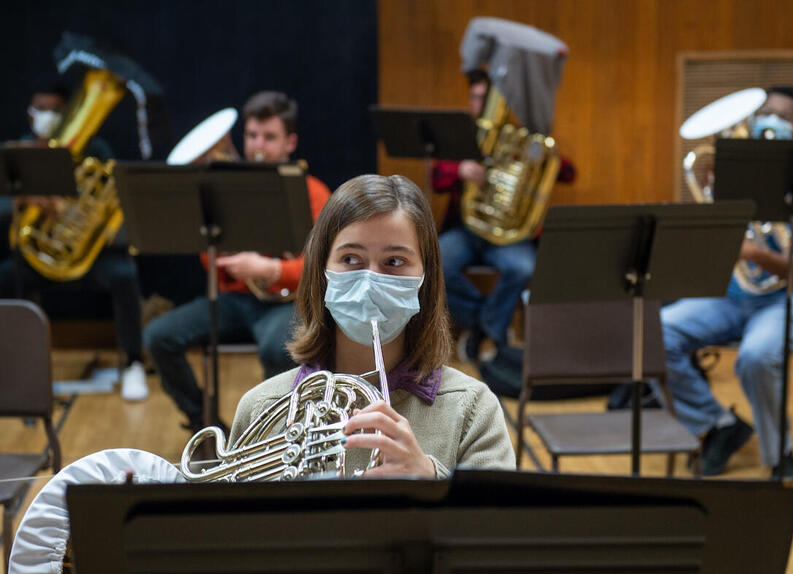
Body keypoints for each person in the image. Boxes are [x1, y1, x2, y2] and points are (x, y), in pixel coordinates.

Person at [229, 174, 515, 477]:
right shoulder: (261, 408)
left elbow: (504, 509)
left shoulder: (473, 409)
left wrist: (430, 477)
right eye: (350, 259)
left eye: (394, 262)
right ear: (321, 270)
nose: (370, 281)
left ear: (425, 277)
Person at [144, 91, 330, 432]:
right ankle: (205, 425)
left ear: (290, 142)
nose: (258, 146)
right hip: (235, 299)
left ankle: (274, 434)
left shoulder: (313, 192)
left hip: (286, 302)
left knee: (278, 348)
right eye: (251, 135)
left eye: (269, 137)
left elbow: (324, 268)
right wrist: (218, 250)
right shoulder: (225, 192)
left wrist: (270, 269)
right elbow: (209, 262)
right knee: (158, 336)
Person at [662, 87, 793, 477]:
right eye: (766, 113)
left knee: (756, 357)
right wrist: (714, 204)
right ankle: (718, 424)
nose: (770, 122)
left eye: (784, 117)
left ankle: (781, 456)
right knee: (653, 334)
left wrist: (756, 254)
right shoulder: (736, 174)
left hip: (785, 300)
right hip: (733, 296)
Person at [0, 74, 148, 400]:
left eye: (54, 110)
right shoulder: (16, 153)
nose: (45, 117)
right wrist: (21, 201)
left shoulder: (95, 149)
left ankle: (133, 363)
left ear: (68, 113)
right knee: (6, 277)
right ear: (29, 113)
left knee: (124, 276)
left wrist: (70, 208)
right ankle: (14, 367)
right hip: (36, 258)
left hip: (87, 258)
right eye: (40, 109)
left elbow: (111, 202)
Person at [433, 69, 575, 363]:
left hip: (509, 235)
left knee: (524, 268)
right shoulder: (461, 136)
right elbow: (437, 179)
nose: (481, 105)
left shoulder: (524, 139)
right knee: (433, 266)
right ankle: (488, 325)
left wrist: (542, 156)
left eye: (488, 99)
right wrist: (459, 170)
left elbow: (568, 173)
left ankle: (486, 330)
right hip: (466, 229)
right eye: (476, 98)